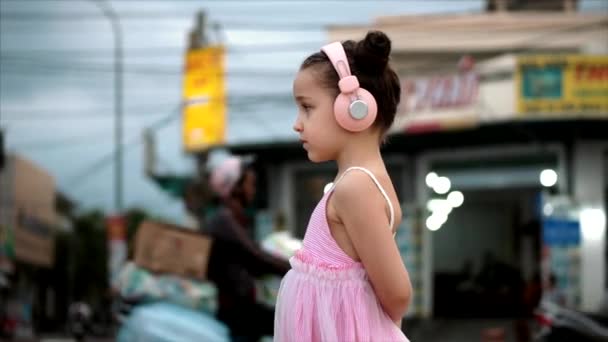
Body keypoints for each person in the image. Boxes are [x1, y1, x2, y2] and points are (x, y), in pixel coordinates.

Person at [274, 31, 412, 341]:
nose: (298, 123)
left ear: (354, 108)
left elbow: (398, 293)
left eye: (307, 107)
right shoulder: (356, 182)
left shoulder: (356, 188)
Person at [203, 152, 291, 342]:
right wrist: (297, 268)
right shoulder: (223, 220)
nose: (253, 190)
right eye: (250, 184)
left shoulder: (233, 218)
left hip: (244, 311)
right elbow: (255, 256)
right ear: (235, 187)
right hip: (237, 316)